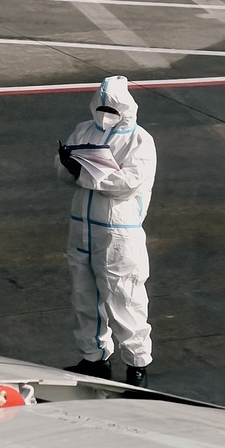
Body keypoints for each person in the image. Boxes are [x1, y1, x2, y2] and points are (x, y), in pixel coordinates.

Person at [55, 74, 157, 387]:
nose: (104, 114)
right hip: (82, 227)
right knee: (84, 297)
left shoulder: (139, 140)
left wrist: (85, 174)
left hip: (117, 233)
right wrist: (68, 167)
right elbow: (61, 169)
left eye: (111, 109)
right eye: (101, 108)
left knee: (124, 298)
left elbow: (128, 183)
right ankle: (94, 357)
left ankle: (136, 364)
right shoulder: (84, 130)